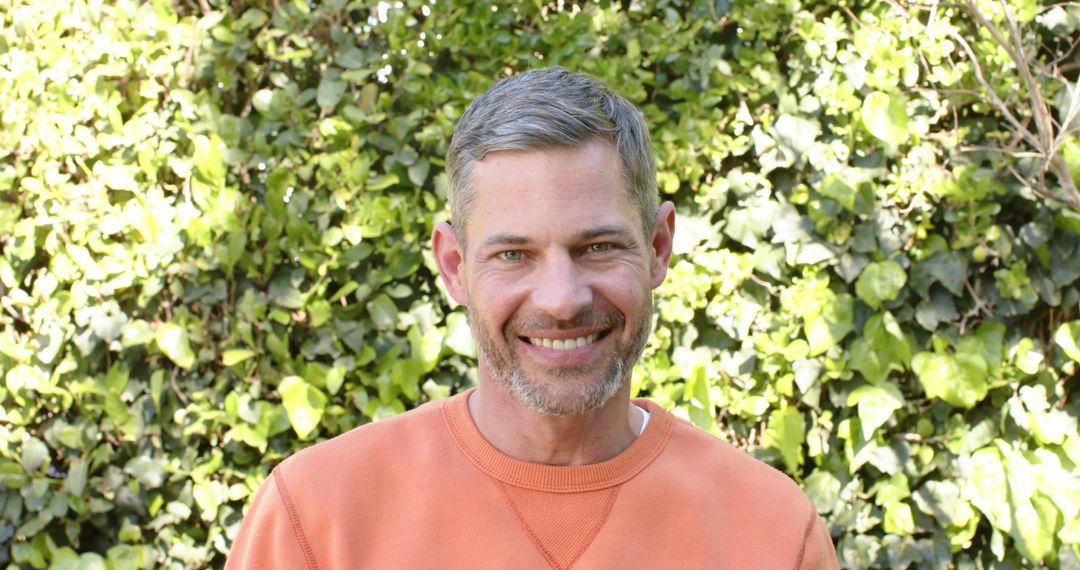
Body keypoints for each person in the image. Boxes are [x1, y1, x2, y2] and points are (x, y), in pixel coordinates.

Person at [225, 67, 840, 569]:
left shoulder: (775, 534)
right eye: (513, 254)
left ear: (656, 248)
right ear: (454, 265)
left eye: (597, 247)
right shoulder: (316, 518)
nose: (561, 299)